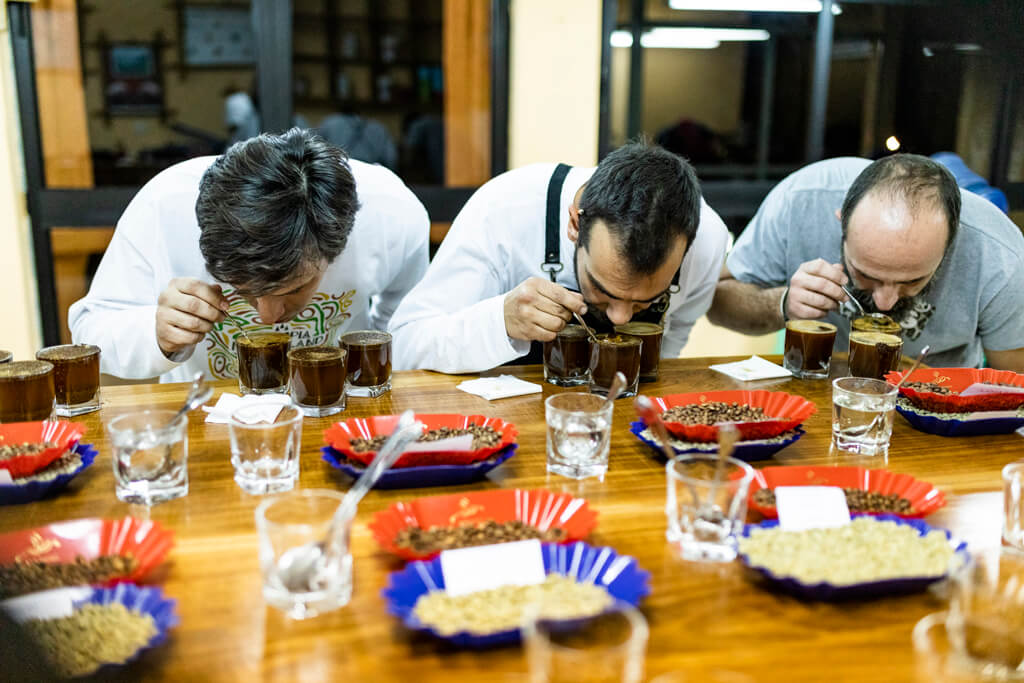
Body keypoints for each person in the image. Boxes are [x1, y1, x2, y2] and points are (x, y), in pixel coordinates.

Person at [69, 128, 429, 383]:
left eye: (293, 289)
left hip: (334, 403)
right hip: (204, 414)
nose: (268, 316)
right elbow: (90, 330)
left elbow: (407, 324)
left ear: (342, 240)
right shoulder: (161, 208)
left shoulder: (392, 216)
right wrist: (156, 331)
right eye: (243, 290)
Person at [388, 142, 730, 373]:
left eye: (644, 301)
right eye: (604, 290)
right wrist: (500, 322)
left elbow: (674, 336)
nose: (621, 317)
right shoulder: (505, 209)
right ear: (575, 223)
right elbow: (404, 346)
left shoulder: (709, 239)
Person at [708, 154, 1024, 371]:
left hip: (938, 404)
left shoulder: (999, 255)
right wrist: (782, 303)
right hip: (816, 383)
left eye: (912, 281)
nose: (884, 303)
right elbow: (718, 301)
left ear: (951, 243)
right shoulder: (800, 201)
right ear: (840, 223)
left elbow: (1014, 383)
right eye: (866, 274)